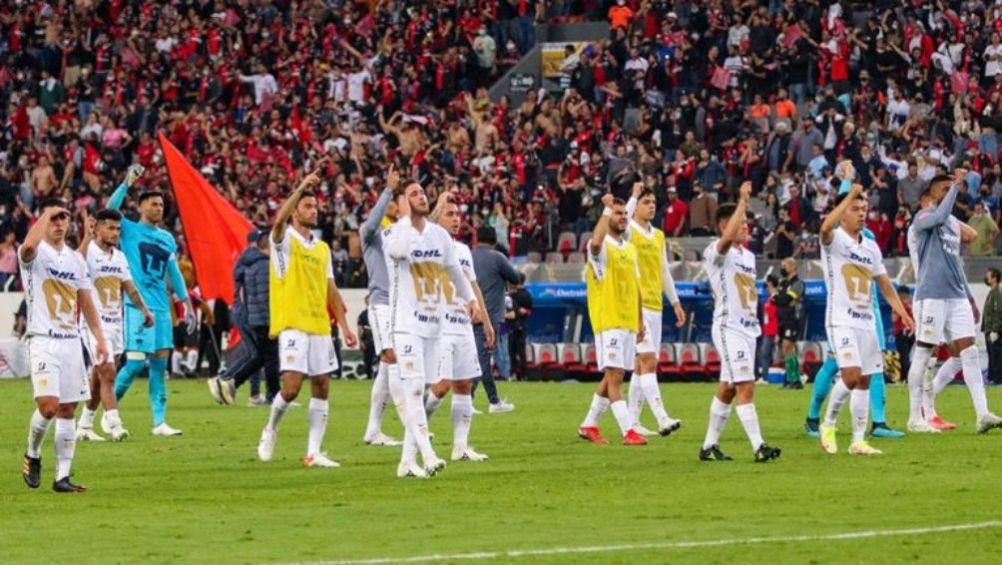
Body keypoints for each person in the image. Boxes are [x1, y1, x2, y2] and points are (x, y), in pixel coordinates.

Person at [256, 171, 358, 468]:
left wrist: (344, 325)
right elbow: (277, 223)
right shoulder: (284, 240)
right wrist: (300, 186)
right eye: (307, 206)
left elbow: (331, 289)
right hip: (292, 322)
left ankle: (313, 453)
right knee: (291, 388)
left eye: (315, 207)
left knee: (323, 386)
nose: (313, 211)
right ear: (296, 212)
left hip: (319, 325)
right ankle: (271, 427)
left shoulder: (322, 248)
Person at [385, 180, 478, 478]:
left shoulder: (439, 235)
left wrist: (471, 300)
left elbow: (453, 270)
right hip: (406, 325)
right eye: (413, 194)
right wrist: (403, 217)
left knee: (424, 388)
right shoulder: (394, 233)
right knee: (413, 388)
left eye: (422, 193)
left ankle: (406, 463)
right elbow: (399, 251)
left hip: (434, 325)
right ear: (402, 202)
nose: (421, 196)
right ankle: (428, 454)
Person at [805, 171, 906, 439]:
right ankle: (825, 423)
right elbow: (825, 228)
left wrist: (904, 314)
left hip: (867, 320)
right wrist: (849, 190)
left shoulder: (871, 246)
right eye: (856, 209)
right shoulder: (834, 239)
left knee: (865, 379)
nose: (862, 213)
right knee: (848, 375)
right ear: (843, 211)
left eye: (864, 209)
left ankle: (859, 440)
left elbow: (885, 284)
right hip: (840, 319)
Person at [20, 197, 109, 493]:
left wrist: (99, 339)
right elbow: (27, 248)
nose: (59, 223)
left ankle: (62, 477)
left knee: (68, 409)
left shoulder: (75, 260)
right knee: (48, 407)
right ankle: (32, 453)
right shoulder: (36, 254)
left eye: (64, 218)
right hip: (43, 340)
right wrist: (45, 213)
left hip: (71, 342)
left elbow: (86, 302)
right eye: (54, 218)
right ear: (44, 219)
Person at [906, 170, 1002, 434]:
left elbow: (955, 261)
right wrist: (955, 188)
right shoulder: (923, 217)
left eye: (952, 186)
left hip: (956, 295)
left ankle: (982, 414)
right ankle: (915, 417)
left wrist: (969, 297)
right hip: (932, 294)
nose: (951, 190)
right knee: (925, 353)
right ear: (933, 193)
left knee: (969, 352)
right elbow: (937, 216)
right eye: (945, 187)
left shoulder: (950, 224)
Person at [107, 165, 194, 436]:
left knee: (159, 364)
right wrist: (126, 182)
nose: (160, 207)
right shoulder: (129, 230)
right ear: (142, 207)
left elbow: (174, 272)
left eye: (161, 204)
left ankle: (159, 422)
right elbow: (109, 210)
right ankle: (109, 415)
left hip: (162, 308)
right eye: (154, 204)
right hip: (136, 306)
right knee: (133, 364)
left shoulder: (167, 238)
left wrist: (186, 303)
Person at [699, 182, 781, 463]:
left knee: (728, 388)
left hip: (747, 329)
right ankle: (759, 446)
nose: (745, 226)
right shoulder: (715, 251)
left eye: (746, 222)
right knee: (746, 384)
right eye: (739, 222)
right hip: (728, 327)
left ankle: (709, 446)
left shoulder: (748, 256)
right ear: (725, 226)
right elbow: (723, 244)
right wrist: (743, 200)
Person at [424, 193, 493, 462]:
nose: (456, 219)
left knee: (464, 384)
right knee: (441, 386)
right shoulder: (428, 242)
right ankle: (418, 429)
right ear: (438, 217)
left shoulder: (463, 250)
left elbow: (473, 286)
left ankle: (460, 447)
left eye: (458, 215)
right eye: (450, 214)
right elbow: (424, 222)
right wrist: (438, 200)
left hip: (463, 325)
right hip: (440, 326)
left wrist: (486, 321)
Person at [75, 209, 154, 442]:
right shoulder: (88, 251)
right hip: (93, 324)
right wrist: (86, 237)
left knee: (100, 376)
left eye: (118, 229)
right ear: (97, 228)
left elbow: (129, 287)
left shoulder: (119, 257)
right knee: (108, 371)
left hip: (116, 324)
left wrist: (144, 309)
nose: (115, 233)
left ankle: (84, 424)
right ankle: (114, 423)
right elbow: (75, 263)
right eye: (110, 227)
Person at [577, 193, 647, 446]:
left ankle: (588, 425)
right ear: (608, 217)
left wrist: (640, 322)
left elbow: (636, 288)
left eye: (624, 213)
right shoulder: (600, 247)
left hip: (628, 322)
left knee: (612, 377)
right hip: (609, 321)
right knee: (615, 377)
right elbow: (595, 242)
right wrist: (606, 210)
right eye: (618, 213)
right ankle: (629, 431)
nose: (623, 217)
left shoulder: (629, 248)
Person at [624, 181, 687, 437]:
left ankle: (633, 421)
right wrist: (632, 196)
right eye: (645, 202)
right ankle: (662, 417)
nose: (651, 207)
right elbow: (621, 220)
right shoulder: (629, 231)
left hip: (656, 306)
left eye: (653, 203)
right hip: (635, 306)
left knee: (643, 364)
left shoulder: (658, 235)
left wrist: (675, 302)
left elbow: (663, 271)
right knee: (648, 360)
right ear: (636, 206)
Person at [357, 166, 403, 447]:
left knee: (386, 370)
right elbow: (371, 224)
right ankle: (413, 424)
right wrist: (387, 191)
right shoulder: (372, 233)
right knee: (393, 359)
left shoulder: (400, 236)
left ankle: (373, 430)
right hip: (381, 305)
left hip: (399, 307)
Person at [207, 228, 279, 407]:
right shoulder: (258, 263)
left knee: (256, 353)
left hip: (246, 311)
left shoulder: (247, 261)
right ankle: (227, 381)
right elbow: (258, 294)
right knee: (259, 354)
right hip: (250, 313)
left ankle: (236, 385)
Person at [471, 226, 520, 413]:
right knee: (482, 360)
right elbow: (515, 277)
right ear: (494, 241)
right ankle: (473, 400)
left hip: (469, 313)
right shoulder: (497, 258)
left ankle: (492, 401)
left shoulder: (468, 255)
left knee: (479, 358)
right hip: (489, 315)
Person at [775, 258, 805, 389]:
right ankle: (789, 377)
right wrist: (780, 299)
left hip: (793, 318)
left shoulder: (798, 283)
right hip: (782, 318)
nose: (782, 268)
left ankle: (796, 379)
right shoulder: (783, 283)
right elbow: (778, 300)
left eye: (784, 265)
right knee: (785, 348)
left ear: (793, 267)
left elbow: (785, 299)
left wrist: (781, 299)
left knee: (789, 346)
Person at [509, 273, 533, 380]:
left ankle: (513, 373)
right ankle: (524, 375)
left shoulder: (511, 295)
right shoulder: (527, 294)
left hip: (512, 325)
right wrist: (524, 312)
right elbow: (530, 310)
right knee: (521, 350)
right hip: (523, 325)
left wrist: (518, 311)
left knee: (512, 350)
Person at [983, 268, 1002, 385]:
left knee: (997, 358)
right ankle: (992, 378)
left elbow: (999, 313)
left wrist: (995, 330)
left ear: (994, 279)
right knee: (992, 357)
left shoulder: (998, 293)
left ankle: (998, 380)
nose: (986, 278)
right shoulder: (992, 292)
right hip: (989, 331)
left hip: (995, 332)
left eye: (988, 276)